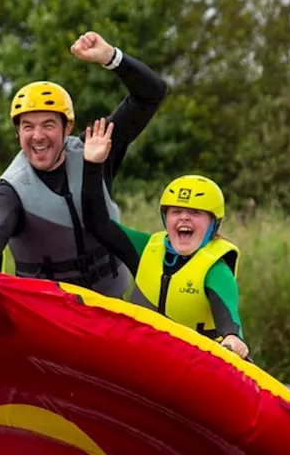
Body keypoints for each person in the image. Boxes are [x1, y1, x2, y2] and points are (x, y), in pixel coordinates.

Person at [0, 31, 167, 299]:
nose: (38, 136)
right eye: (28, 127)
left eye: (48, 125)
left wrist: (111, 57)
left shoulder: (96, 147)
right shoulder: (10, 188)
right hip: (51, 311)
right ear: (18, 133)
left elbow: (151, 94)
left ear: (67, 127)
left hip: (110, 301)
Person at [77, 118, 252, 361]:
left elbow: (228, 321)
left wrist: (233, 338)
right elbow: (97, 223)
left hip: (199, 366)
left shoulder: (216, 269)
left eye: (195, 213)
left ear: (213, 224)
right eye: (176, 212)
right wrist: (93, 166)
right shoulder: (147, 249)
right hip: (145, 359)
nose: (184, 219)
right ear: (165, 217)